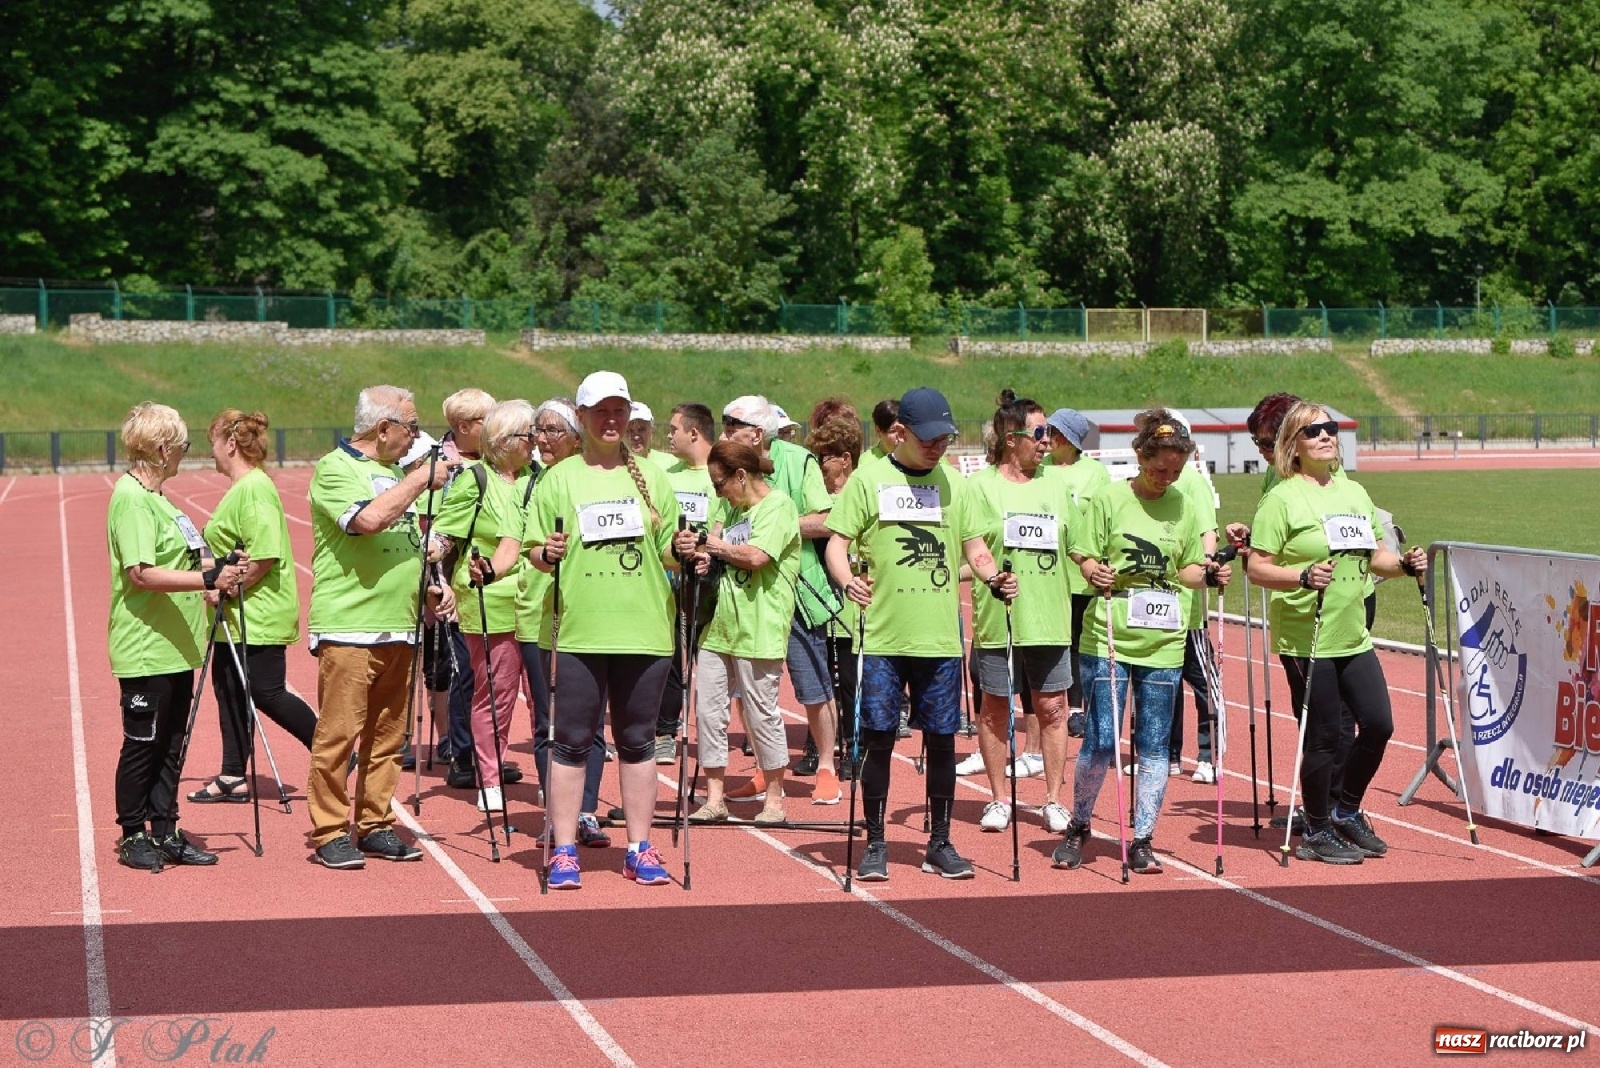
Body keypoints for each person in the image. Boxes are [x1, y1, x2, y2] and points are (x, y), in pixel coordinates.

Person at [825, 387, 1017, 881]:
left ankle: (940, 841)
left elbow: (975, 548)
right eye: (929, 438)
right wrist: (848, 582)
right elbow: (836, 545)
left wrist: (994, 577)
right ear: (901, 433)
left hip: (939, 640)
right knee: (879, 740)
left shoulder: (957, 484)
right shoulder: (868, 480)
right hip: (884, 639)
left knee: (943, 741)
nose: (938, 447)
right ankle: (875, 841)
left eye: (945, 438)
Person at [1246, 400, 1426, 864]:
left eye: (1330, 429)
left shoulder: (1353, 492)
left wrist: (1404, 565)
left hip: (1351, 632)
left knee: (1380, 723)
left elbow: (1375, 557)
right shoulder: (1281, 499)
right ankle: (1317, 829)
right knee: (1325, 735)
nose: (1326, 436)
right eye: (1313, 432)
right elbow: (1258, 567)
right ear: (1293, 445)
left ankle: (1346, 810)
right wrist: (1302, 576)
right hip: (1307, 635)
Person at [523, 371, 683, 889]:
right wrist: (544, 555)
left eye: (620, 411)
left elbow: (667, 549)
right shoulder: (559, 478)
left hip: (644, 630)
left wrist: (687, 552)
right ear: (583, 416)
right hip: (577, 632)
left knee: (638, 741)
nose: (612, 421)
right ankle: (565, 848)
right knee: (570, 742)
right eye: (601, 412)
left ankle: (639, 846)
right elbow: (533, 548)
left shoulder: (653, 477)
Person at [1057, 410, 1229, 875]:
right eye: (1158, 470)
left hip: (1165, 641)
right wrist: (1093, 569)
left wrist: (1210, 574)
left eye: (1175, 472)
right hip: (1109, 635)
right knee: (1100, 738)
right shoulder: (1110, 499)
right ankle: (1079, 824)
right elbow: (1081, 549)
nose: (1165, 480)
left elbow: (1188, 568)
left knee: (1154, 744)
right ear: (1140, 458)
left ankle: (1144, 837)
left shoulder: (1184, 504)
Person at [305, 385, 455, 870]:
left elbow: (406, 539)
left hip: (400, 626)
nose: (415, 435)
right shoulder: (335, 468)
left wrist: (431, 584)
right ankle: (330, 828)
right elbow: (366, 521)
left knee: (389, 737)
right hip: (350, 626)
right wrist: (419, 480)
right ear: (383, 427)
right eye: (411, 426)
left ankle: (374, 823)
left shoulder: (392, 474)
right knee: (339, 735)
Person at [108, 402, 249, 869]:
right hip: (146, 646)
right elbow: (141, 574)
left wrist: (221, 568)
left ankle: (164, 826)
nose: (186, 454)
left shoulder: (162, 499)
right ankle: (132, 833)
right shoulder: (131, 498)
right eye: (183, 446)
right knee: (144, 743)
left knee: (172, 743)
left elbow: (189, 558)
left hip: (176, 646)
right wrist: (208, 582)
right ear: (163, 448)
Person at [188, 410, 318, 807]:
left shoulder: (255, 488)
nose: (210, 452)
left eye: (212, 443)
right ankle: (232, 775)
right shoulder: (242, 487)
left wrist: (226, 588)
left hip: (256, 612)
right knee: (228, 690)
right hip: (234, 614)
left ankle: (333, 752)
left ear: (230, 444)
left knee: (266, 692)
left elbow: (263, 557)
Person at [721, 395, 843, 806]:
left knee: (813, 685)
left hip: (797, 592)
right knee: (750, 692)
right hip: (746, 594)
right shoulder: (727, 463)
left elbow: (827, 519)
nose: (724, 432)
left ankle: (826, 766)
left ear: (757, 433)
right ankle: (764, 769)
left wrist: (776, 528)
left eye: (731, 424)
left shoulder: (799, 460)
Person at [965, 392, 1076, 834]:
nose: (1047, 441)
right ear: (1012, 438)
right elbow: (974, 547)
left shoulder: (1057, 485)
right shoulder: (979, 487)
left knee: (1053, 708)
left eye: (1048, 433)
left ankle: (1053, 799)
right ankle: (997, 798)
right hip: (1000, 617)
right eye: (1040, 433)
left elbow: (1079, 546)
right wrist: (994, 579)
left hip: (1050, 617)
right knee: (994, 710)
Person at [686, 440, 802, 824]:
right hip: (720, 625)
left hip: (760, 625)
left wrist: (713, 547)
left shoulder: (779, 507)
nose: (718, 492)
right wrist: (703, 556)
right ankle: (714, 797)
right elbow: (713, 543)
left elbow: (756, 557)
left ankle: (774, 799)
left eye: (720, 484)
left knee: (760, 714)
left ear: (740, 475)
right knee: (708, 712)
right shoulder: (729, 507)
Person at [432, 399, 537, 817]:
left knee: (546, 695)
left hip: (541, 601)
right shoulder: (474, 480)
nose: (533, 444)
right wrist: (432, 564)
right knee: (495, 696)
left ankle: (551, 776)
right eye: (527, 436)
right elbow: (443, 539)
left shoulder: (541, 479)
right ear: (503, 441)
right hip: (489, 602)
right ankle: (489, 778)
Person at [654, 402, 721, 764]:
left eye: (674, 429)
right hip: (669, 580)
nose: (668, 435)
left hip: (709, 581)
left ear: (693, 433)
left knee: (710, 663)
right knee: (670, 659)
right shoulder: (667, 476)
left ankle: (714, 737)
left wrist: (706, 549)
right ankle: (665, 732)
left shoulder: (718, 473)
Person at [1041, 408, 1110, 739]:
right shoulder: (1039, 469)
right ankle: (1052, 705)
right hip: (1046, 575)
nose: (1048, 438)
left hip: (1082, 574)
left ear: (1069, 438)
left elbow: (1103, 518)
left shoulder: (1094, 473)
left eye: (1054, 432)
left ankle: (1080, 707)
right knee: (1054, 643)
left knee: (1081, 644)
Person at [436, 389, 495, 780]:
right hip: (452, 583)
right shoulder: (443, 467)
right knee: (462, 673)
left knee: (488, 674)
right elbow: (434, 529)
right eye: (486, 423)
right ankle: (461, 753)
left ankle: (484, 751)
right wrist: (438, 583)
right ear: (464, 427)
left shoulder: (493, 461)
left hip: (490, 583)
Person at [807, 416, 863, 781]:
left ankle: (854, 750)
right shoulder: (817, 497)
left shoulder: (860, 490)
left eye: (824, 456)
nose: (819, 462)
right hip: (819, 603)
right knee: (820, 679)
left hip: (854, 605)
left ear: (844, 458)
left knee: (850, 685)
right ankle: (818, 748)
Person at [627, 402, 678, 470]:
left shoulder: (670, 463)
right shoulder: (613, 466)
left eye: (641, 430)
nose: (636, 437)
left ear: (652, 430)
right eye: (630, 431)